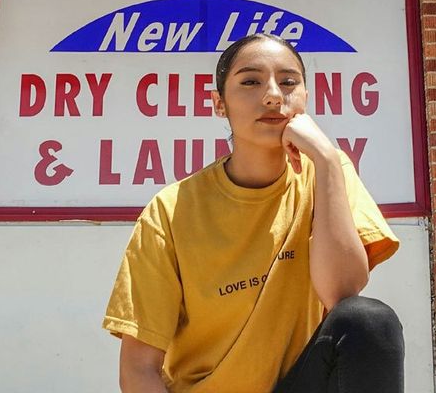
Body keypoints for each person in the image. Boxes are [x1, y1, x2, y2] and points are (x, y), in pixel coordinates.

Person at [102, 33, 404, 393]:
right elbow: (138, 370)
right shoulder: (170, 210)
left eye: (289, 82)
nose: (274, 95)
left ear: (306, 97)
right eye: (250, 81)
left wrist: (324, 159)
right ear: (219, 103)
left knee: (369, 320)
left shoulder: (328, 173)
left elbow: (342, 294)